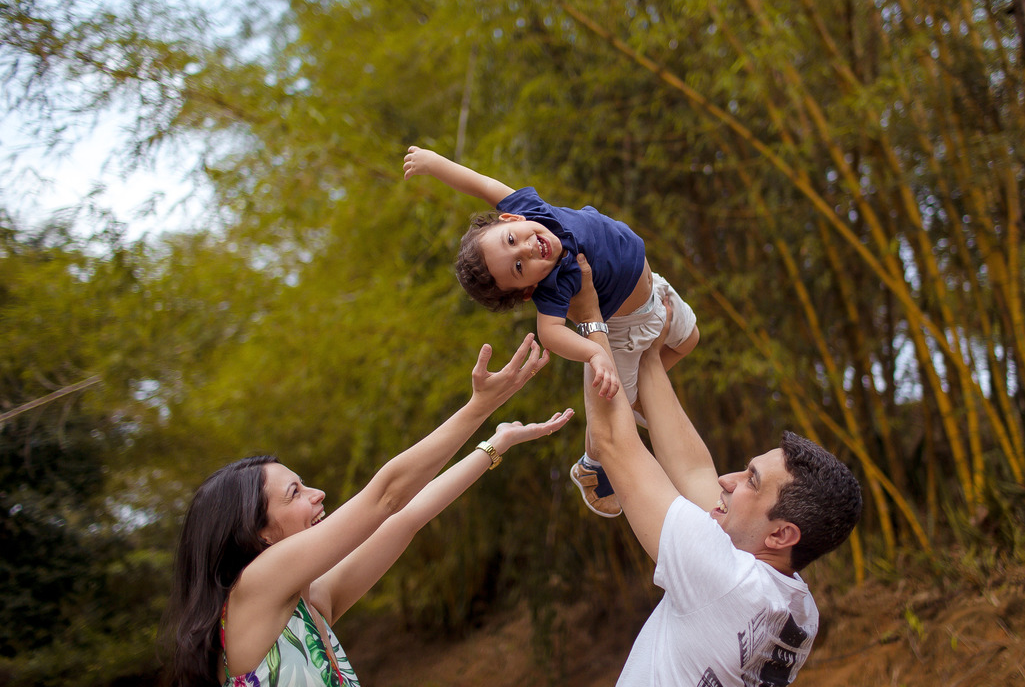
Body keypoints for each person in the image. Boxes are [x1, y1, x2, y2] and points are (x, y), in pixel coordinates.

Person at [162, 335, 571, 687]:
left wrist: (496, 445)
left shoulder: (313, 606)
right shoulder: (251, 593)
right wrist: (478, 407)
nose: (318, 493)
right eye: (295, 492)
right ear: (257, 535)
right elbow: (386, 496)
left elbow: (406, 516)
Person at [567, 254, 862, 686]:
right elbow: (692, 471)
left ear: (781, 534)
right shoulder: (794, 606)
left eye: (750, 481)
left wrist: (590, 317)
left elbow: (613, 441)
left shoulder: (724, 580)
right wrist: (649, 352)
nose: (728, 480)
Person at [403, 145, 699, 519]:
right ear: (527, 289)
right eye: (519, 267)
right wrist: (594, 353)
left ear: (510, 218)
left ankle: (641, 400)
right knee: (613, 410)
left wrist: (434, 163)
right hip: (624, 330)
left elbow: (482, 183)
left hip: (654, 291)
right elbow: (550, 333)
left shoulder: (532, 210)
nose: (527, 248)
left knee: (690, 340)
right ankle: (592, 466)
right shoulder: (556, 285)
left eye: (513, 240)